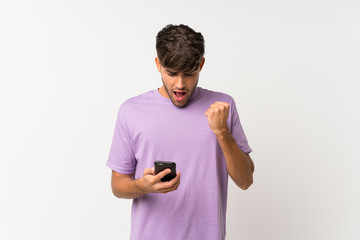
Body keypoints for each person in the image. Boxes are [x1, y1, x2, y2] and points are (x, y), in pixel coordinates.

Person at [106, 24, 254, 240]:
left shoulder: (223, 106)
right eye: (172, 73)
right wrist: (142, 185)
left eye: (190, 73)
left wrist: (222, 132)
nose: (180, 84)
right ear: (158, 64)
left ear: (201, 64)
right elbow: (117, 185)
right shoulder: (131, 111)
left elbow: (245, 180)